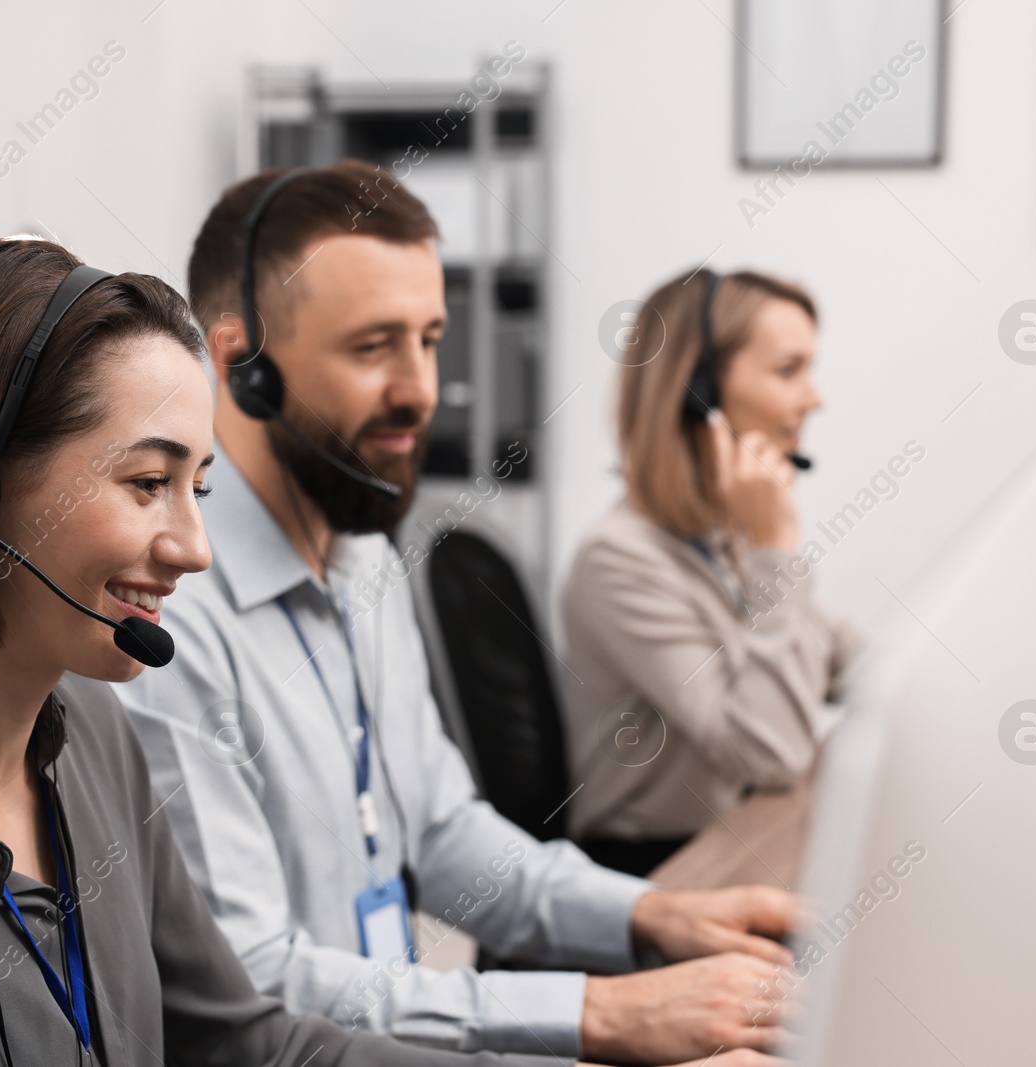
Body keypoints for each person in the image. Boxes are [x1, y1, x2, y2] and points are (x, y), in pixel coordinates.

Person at [0, 237, 702, 1067]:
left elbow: (242, 1040)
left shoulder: (87, 732)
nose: (193, 548)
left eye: (201, 487)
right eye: (147, 483)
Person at [117, 161, 797, 1067]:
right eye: (373, 347)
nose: (421, 388)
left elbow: (439, 831)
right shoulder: (171, 621)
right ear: (242, 365)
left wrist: (656, 917)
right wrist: (607, 1014)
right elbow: (252, 987)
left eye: (430, 339)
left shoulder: (363, 555)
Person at [559, 268, 860, 878]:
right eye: (788, 370)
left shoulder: (720, 538)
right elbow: (769, 753)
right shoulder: (618, 562)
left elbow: (846, 662)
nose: (815, 398)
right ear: (701, 395)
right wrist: (777, 547)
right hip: (656, 874)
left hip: (727, 844)